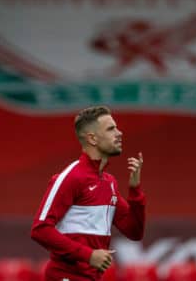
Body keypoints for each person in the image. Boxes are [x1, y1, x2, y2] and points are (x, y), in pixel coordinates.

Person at [31, 105, 146, 281]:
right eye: (111, 129)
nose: (119, 133)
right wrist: (88, 255)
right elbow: (40, 229)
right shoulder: (71, 177)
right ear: (92, 138)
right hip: (65, 276)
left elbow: (134, 232)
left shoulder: (109, 183)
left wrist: (135, 190)